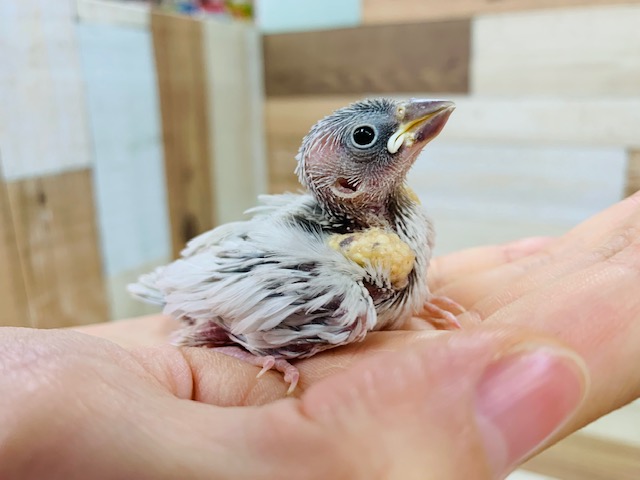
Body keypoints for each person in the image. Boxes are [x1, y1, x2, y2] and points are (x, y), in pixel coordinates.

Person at [1, 191, 639, 480]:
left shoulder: (398, 235)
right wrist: (255, 341)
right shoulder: (333, 285)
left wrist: (413, 302)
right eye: (370, 140)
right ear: (343, 179)